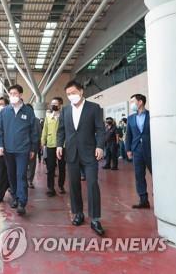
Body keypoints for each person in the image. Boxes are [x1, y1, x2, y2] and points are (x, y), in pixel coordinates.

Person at [56, 80, 105, 235]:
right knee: (74, 185)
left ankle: (95, 218)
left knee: (92, 184)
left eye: (73, 93)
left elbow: (100, 129)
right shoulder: (65, 110)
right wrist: (59, 145)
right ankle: (78, 213)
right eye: (68, 94)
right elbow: (61, 130)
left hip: (90, 152)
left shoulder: (94, 108)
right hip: (71, 153)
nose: (71, 96)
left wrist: (100, 146)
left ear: (81, 91)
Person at [0, 85, 39, 216]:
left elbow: (34, 132)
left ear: (20, 95)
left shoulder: (28, 111)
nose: (13, 95)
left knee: (21, 175)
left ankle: (22, 202)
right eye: (11, 93)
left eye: (15, 93)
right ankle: (14, 197)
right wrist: (0, 145)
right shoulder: (4, 112)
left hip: (23, 150)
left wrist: (32, 148)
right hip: (8, 150)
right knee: (11, 175)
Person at [126, 94, 152, 209]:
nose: (131, 104)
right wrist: (128, 149)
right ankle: (143, 200)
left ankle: (162, 198)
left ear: (140, 102)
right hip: (137, 150)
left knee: (156, 174)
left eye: (133, 101)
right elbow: (128, 135)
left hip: (151, 149)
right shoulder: (131, 118)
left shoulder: (151, 115)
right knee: (139, 175)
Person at [41, 97, 66, 196]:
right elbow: (45, 130)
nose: (53, 105)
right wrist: (42, 141)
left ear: (60, 105)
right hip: (51, 145)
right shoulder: (48, 117)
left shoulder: (63, 117)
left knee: (62, 167)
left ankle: (61, 185)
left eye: (55, 103)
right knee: (50, 167)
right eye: (52, 103)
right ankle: (50, 188)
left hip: (62, 145)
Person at [26, 103, 42, 189]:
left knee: (32, 164)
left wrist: (39, 145)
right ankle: (23, 180)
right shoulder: (22, 119)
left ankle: (29, 180)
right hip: (23, 146)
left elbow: (39, 133)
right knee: (22, 164)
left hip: (33, 145)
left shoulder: (36, 120)